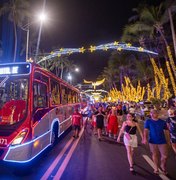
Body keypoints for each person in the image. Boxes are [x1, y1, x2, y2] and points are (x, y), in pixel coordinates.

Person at [143, 109, 170, 175]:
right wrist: (145, 138)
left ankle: (162, 165)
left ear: (157, 114)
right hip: (152, 141)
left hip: (162, 141)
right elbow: (145, 130)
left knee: (165, 156)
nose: (152, 114)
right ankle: (156, 168)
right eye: (151, 113)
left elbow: (166, 131)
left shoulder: (162, 122)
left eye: (154, 113)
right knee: (155, 154)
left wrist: (169, 140)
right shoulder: (148, 121)